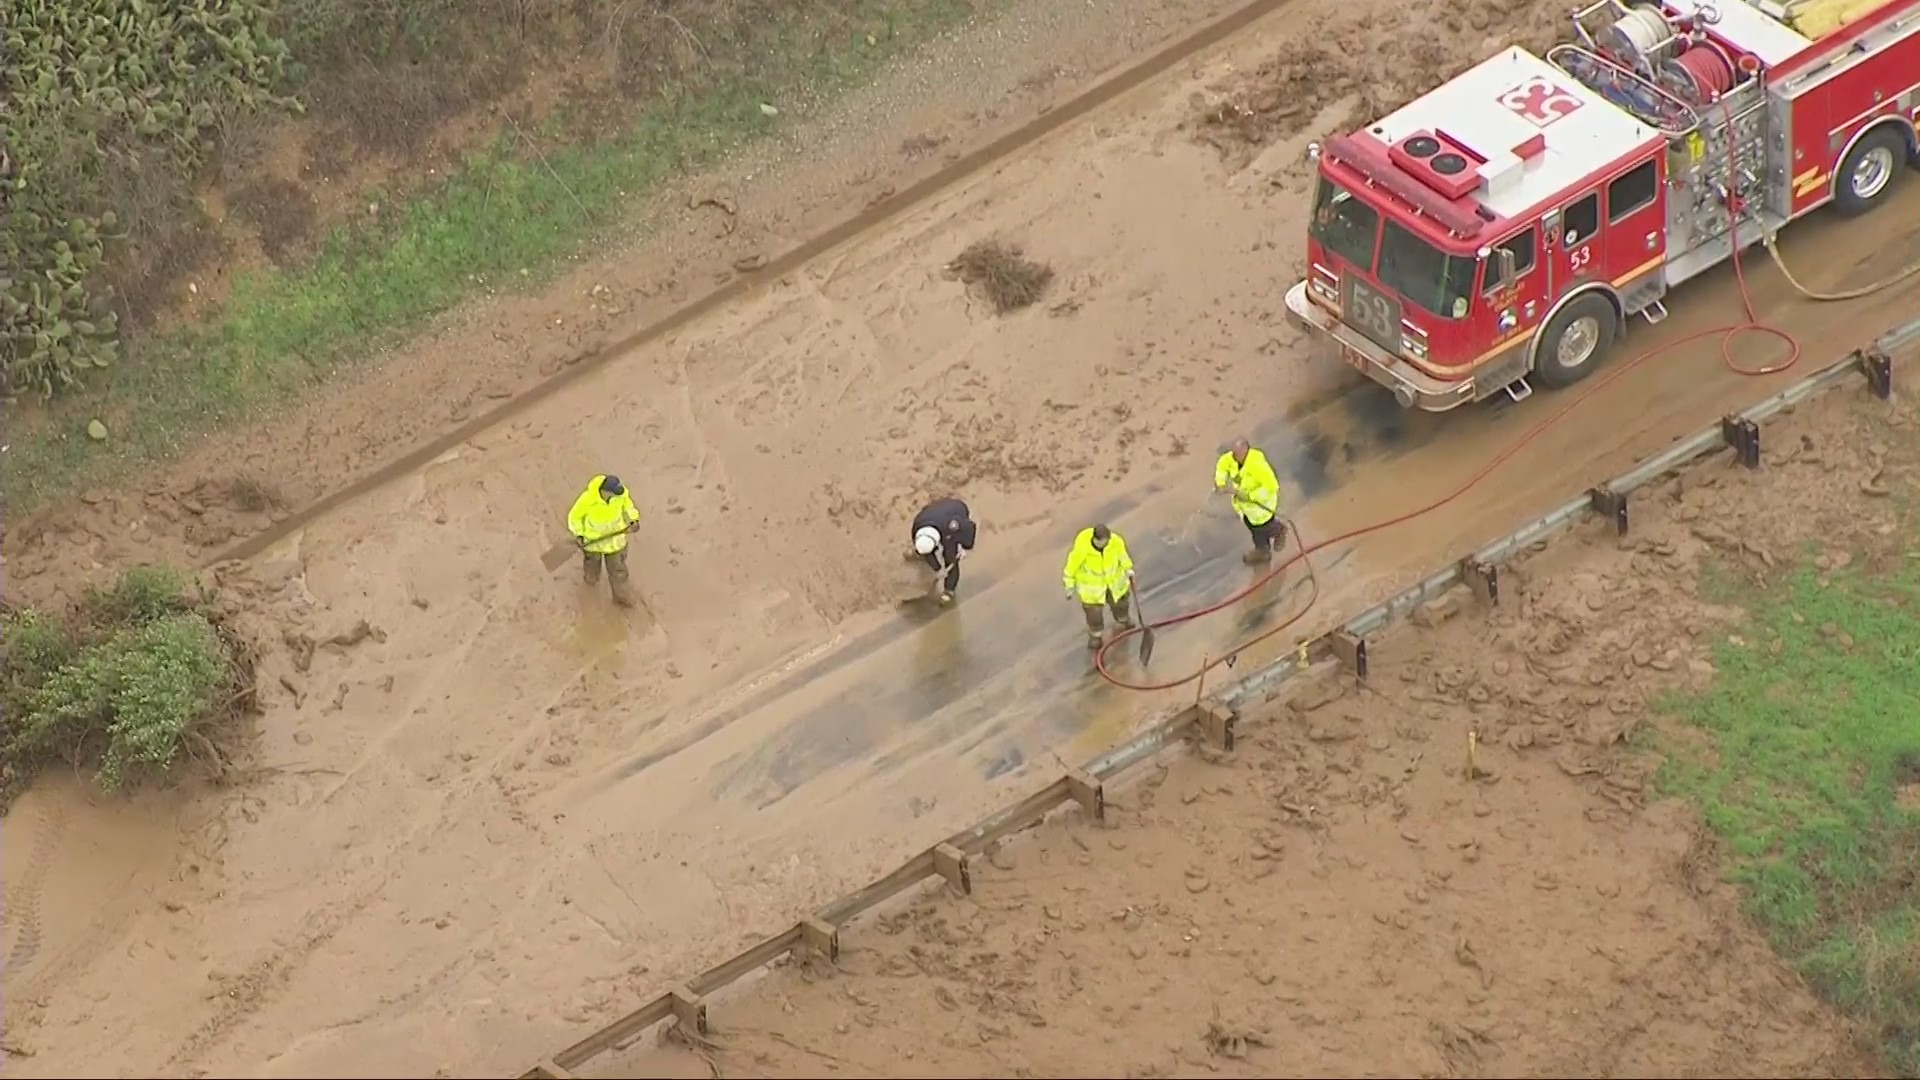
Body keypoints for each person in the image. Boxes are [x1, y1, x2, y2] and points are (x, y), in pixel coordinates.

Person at [567, 473, 642, 606]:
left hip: (615, 541)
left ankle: (622, 596)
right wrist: (579, 534)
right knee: (592, 565)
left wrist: (633, 520)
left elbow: (629, 507)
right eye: (613, 493)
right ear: (605, 492)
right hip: (593, 541)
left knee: (618, 570)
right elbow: (574, 517)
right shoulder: (587, 499)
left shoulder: (621, 495)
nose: (616, 496)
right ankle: (591, 581)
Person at [1062, 524, 1135, 649]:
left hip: (1115, 584)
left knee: (1121, 604)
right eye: (1102, 542)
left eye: (1107, 541)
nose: (1105, 544)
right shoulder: (1081, 549)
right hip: (1092, 590)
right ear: (1095, 540)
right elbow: (1070, 569)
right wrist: (1069, 586)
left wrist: (1128, 568)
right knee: (1094, 614)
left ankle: (1123, 620)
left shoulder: (1116, 542)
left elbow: (1123, 556)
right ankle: (1096, 636)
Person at [1214, 437, 1284, 563]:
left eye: (1237, 455)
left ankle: (1279, 531)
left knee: (1262, 528)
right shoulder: (1232, 458)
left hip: (1260, 507)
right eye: (1233, 454)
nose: (1234, 457)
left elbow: (1272, 486)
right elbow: (1223, 464)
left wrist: (1250, 496)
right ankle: (1263, 551)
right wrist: (1220, 483)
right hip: (1246, 508)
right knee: (1253, 528)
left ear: (1246, 451)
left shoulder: (1258, 465)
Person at [910, 497, 977, 605]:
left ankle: (949, 589)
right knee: (928, 557)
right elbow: (926, 551)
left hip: (955, 510)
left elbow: (970, 526)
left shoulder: (951, 526)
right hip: (935, 513)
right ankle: (934, 567)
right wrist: (937, 569)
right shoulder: (917, 526)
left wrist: (966, 548)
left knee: (950, 557)